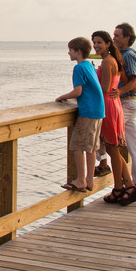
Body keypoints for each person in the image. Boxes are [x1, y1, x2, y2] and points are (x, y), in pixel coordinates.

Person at [91, 30, 136, 205]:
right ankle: (128, 186)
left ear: (108, 43)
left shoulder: (106, 62)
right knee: (114, 149)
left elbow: (103, 89)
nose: (96, 46)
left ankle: (120, 188)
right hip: (114, 103)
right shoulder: (113, 60)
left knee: (112, 149)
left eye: (99, 43)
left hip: (107, 106)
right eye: (94, 43)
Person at [55, 36, 104, 193]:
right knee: (91, 148)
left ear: (78, 51)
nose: (68, 52)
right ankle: (89, 180)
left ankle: (80, 180)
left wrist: (62, 97)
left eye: (70, 50)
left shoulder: (79, 68)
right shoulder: (89, 66)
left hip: (88, 112)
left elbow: (78, 91)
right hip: (99, 111)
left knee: (77, 145)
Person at [112, 22, 136, 197]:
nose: (114, 38)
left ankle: (103, 163)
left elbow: (134, 81)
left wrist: (119, 91)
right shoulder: (119, 54)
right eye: (114, 35)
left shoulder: (129, 56)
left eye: (117, 35)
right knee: (134, 145)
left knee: (107, 135)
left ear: (127, 38)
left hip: (126, 102)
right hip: (126, 102)